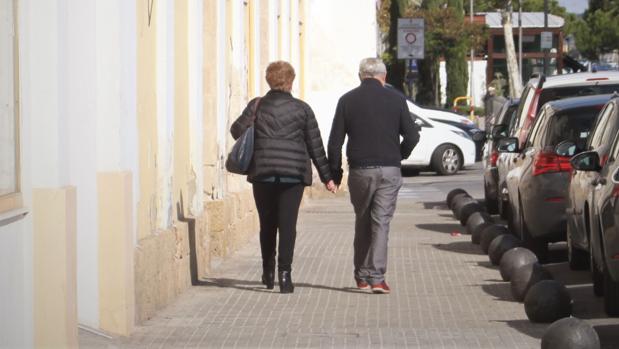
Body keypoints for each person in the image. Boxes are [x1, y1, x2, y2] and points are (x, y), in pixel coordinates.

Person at [230, 61, 336, 294]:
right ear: (291, 81)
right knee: (288, 226)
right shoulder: (302, 109)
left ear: (269, 80)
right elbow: (315, 145)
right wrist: (328, 177)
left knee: (267, 224)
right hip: (292, 175)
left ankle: (268, 272)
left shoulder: (257, 105)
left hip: (263, 173)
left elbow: (236, 131)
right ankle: (285, 276)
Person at [327, 57, 419, 294]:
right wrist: (399, 155)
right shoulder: (397, 99)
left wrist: (334, 174)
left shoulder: (347, 100)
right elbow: (412, 135)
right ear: (384, 76)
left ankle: (361, 275)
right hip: (389, 169)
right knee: (381, 222)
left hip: (360, 171)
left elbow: (335, 142)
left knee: (363, 219)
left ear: (360, 76)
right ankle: (377, 278)